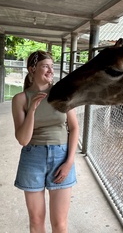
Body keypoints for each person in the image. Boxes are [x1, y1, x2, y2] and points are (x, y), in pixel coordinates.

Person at [12, 50, 79, 233]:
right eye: (45, 66)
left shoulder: (62, 93)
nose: (51, 70)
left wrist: (69, 162)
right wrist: (32, 110)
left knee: (59, 223)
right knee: (36, 221)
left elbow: (74, 128)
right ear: (32, 69)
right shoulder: (20, 99)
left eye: (52, 66)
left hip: (61, 157)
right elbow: (23, 140)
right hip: (32, 158)